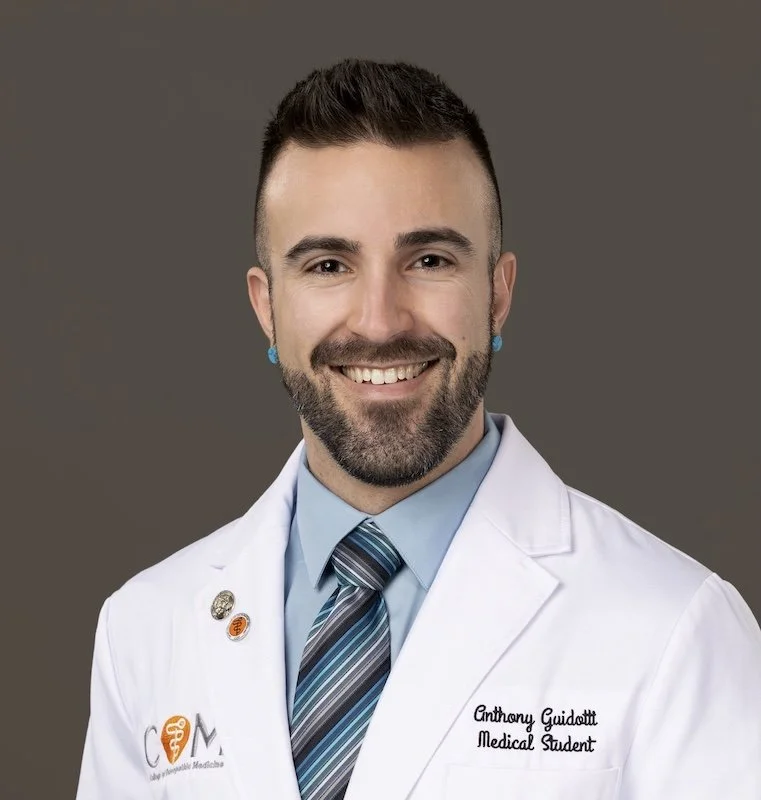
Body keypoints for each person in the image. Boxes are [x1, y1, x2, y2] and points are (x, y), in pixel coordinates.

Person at [75, 58, 761, 800]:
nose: (379, 322)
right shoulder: (146, 628)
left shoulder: (675, 629)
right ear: (266, 306)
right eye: (328, 264)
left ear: (497, 294)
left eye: (428, 260)